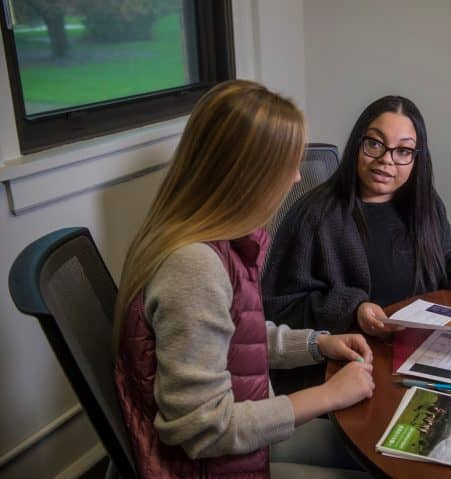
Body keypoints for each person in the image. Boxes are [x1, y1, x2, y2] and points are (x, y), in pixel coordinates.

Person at [113, 80, 374, 479]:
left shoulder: (216, 242)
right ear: (249, 176)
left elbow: (236, 337)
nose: (296, 177)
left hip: (243, 445)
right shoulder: (193, 267)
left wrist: (317, 344)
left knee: (371, 449)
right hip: (208, 466)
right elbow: (204, 429)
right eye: (288, 165)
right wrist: (328, 395)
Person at [262, 95, 451, 390]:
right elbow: (278, 307)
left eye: (403, 151)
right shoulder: (314, 216)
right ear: (357, 144)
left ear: (417, 158)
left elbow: (444, 261)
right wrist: (353, 310)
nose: (386, 159)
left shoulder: (425, 206)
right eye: (375, 144)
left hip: (421, 356)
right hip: (349, 369)